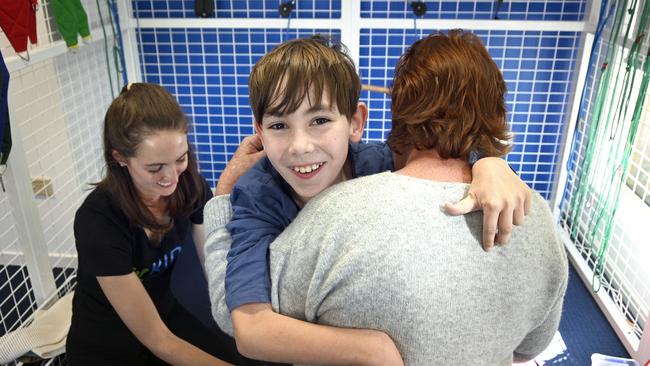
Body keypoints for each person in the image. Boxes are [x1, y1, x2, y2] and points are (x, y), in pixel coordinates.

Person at [227, 29, 568, 365]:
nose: (300, 146)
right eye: (278, 126)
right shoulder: (256, 194)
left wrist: (490, 165)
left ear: (356, 122)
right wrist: (369, 350)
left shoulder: (378, 161)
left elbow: (443, 157)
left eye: (319, 120)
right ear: (259, 131)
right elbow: (250, 325)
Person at [66, 83, 241, 365]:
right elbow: (159, 340)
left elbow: (214, 268)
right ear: (120, 158)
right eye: (155, 167)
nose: (172, 177)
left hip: (164, 315)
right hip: (106, 345)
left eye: (180, 158)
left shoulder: (190, 186)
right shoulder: (98, 220)